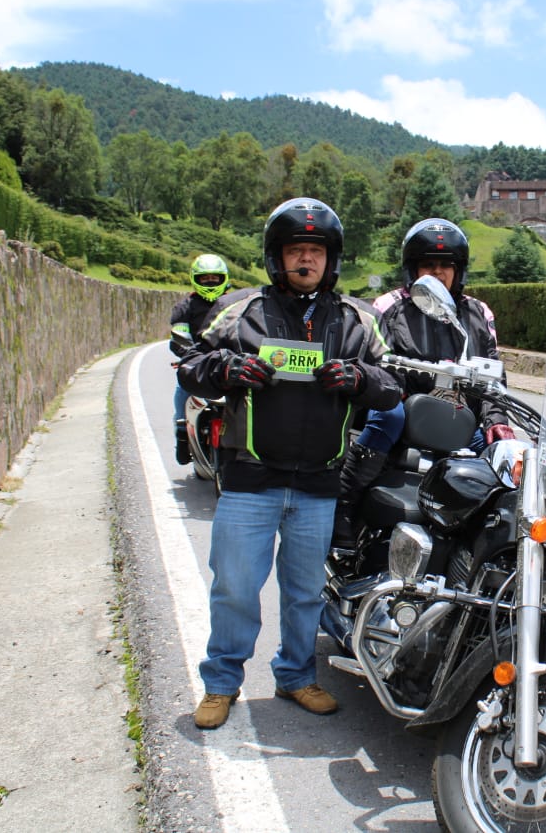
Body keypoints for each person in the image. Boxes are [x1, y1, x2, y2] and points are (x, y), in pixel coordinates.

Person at [177, 198, 401, 728]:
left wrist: (360, 379)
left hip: (319, 484)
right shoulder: (239, 310)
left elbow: (393, 384)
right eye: (296, 250)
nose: (306, 259)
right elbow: (190, 366)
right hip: (250, 480)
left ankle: (296, 675)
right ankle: (221, 683)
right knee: (234, 588)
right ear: (276, 257)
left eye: (316, 251)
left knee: (304, 594)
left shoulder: (359, 320)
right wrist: (227, 368)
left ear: (331, 259)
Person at [332, 218, 514, 548]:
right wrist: (398, 391)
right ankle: (344, 503)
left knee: (503, 456)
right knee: (389, 416)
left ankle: (488, 545)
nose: (437, 273)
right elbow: (375, 361)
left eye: (446, 265)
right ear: (412, 269)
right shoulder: (389, 306)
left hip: (456, 414)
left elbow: (493, 373)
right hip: (402, 407)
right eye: (428, 265)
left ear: (459, 270)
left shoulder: (477, 312)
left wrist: (497, 421)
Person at [170, 253, 231, 465]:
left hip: (228, 362)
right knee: (183, 386)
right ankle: (181, 431)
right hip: (198, 362)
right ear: (196, 279)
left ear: (224, 278)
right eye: (205, 278)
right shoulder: (185, 307)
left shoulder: (236, 303)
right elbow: (179, 336)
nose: (210, 282)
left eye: (215, 278)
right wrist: (186, 355)